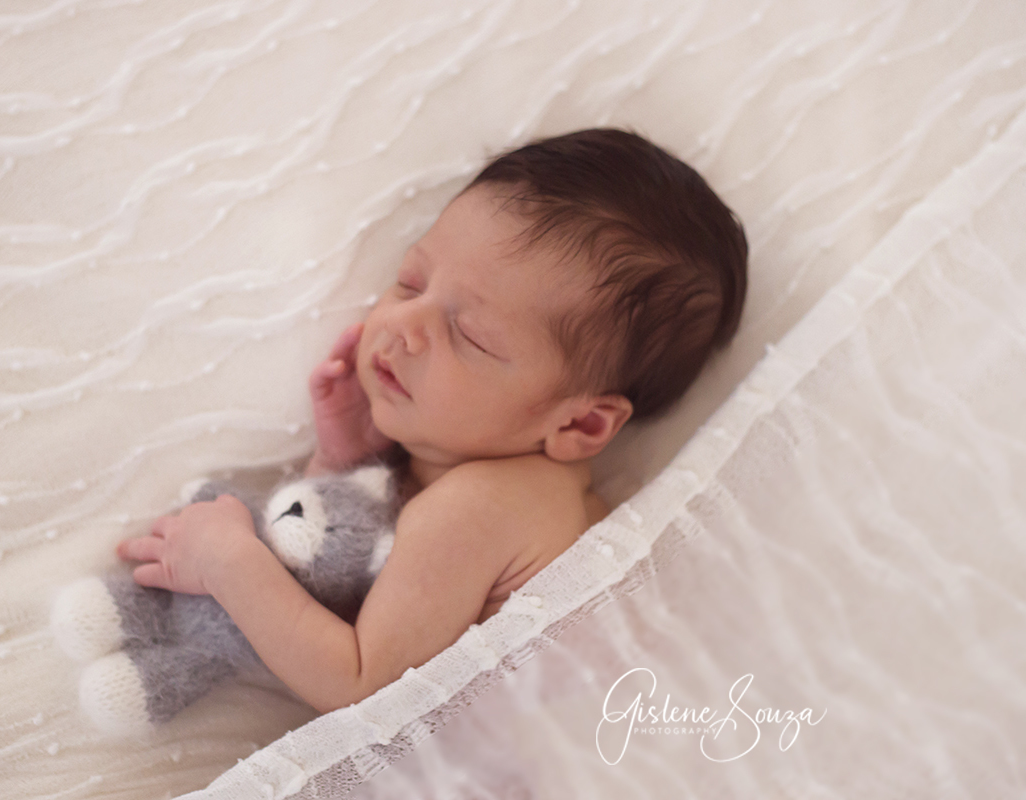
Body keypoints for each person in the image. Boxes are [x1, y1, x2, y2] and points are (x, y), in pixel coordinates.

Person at [115, 128, 748, 714]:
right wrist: (343, 464)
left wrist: (230, 561)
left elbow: (359, 685)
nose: (402, 325)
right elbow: (354, 582)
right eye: (411, 283)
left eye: (470, 336)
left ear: (580, 426)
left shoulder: (478, 508)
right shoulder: (512, 491)